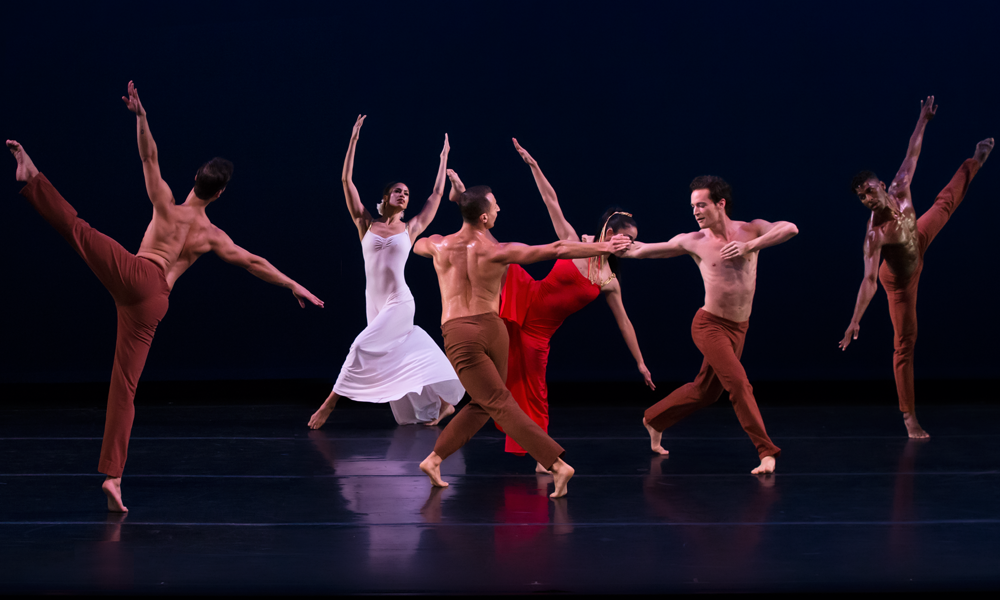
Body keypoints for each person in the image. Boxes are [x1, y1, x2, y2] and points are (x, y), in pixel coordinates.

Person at [6, 81, 324, 512]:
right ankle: (114, 479)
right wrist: (292, 284)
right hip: (156, 304)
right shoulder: (212, 235)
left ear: (195, 179)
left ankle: (31, 176)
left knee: (78, 231)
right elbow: (253, 262)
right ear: (221, 194)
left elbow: (149, 156)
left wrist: (142, 117)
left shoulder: (167, 205)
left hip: (139, 274)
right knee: (125, 388)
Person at [414, 185, 632, 498]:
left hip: (462, 331)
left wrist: (457, 203)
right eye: (496, 206)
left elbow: (416, 242)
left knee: (493, 402)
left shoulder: (438, 245)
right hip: (492, 328)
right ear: (486, 217)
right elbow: (557, 248)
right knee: (492, 402)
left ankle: (551, 464)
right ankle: (439, 460)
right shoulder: (498, 251)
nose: (500, 209)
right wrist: (605, 249)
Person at [449, 139, 653, 472]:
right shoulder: (574, 244)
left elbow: (624, 323)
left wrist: (641, 362)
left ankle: (542, 457)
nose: (628, 246)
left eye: (631, 243)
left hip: (539, 333)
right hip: (526, 295)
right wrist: (534, 166)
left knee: (534, 393)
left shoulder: (609, 280)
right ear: (610, 232)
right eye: (626, 239)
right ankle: (462, 202)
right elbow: (550, 200)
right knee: (496, 253)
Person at [839, 96, 993, 438]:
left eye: (869, 191)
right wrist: (855, 320)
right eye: (862, 198)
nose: (868, 199)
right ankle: (909, 416)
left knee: (945, 202)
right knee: (905, 342)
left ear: (880, 185)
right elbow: (868, 280)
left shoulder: (900, 187)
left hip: (917, 239)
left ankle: (976, 160)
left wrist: (923, 119)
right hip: (899, 279)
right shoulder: (875, 234)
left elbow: (912, 153)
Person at [624, 175, 798, 474]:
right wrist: (606, 245)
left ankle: (653, 419)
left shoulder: (750, 229)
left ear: (721, 204)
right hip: (709, 325)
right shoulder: (693, 241)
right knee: (739, 383)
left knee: (706, 392)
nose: (695, 211)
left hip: (739, 327)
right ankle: (766, 452)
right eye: (693, 206)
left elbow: (790, 228)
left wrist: (751, 246)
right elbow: (640, 250)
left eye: (701, 205)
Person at [308, 115, 464, 428]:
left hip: (400, 301)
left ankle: (329, 404)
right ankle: (444, 403)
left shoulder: (411, 228)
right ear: (385, 198)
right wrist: (353, 140)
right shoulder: (365, 223)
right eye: (397, 190)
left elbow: (435, 196)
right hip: (374, 302)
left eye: (406, 192)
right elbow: (345, 182)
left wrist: (443, 158)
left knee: (361, 346)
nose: (403, 194)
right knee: (394, 355)